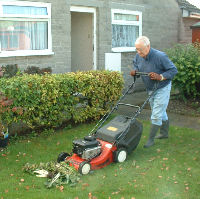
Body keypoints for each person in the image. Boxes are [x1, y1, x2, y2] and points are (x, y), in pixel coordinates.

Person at [130, 36, 178, 148]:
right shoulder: (138, 56)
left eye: (140, 49)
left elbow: (173, 70)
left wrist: (161, 76)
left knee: (156, 114)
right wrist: (135, 71)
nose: (138, 52)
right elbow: (136, 65)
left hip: (162, 87)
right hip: (150, 88)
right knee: (160, 110)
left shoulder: (160, 56)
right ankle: (164, 133)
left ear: (148, 46)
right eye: (137, 49)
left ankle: (150, 140)